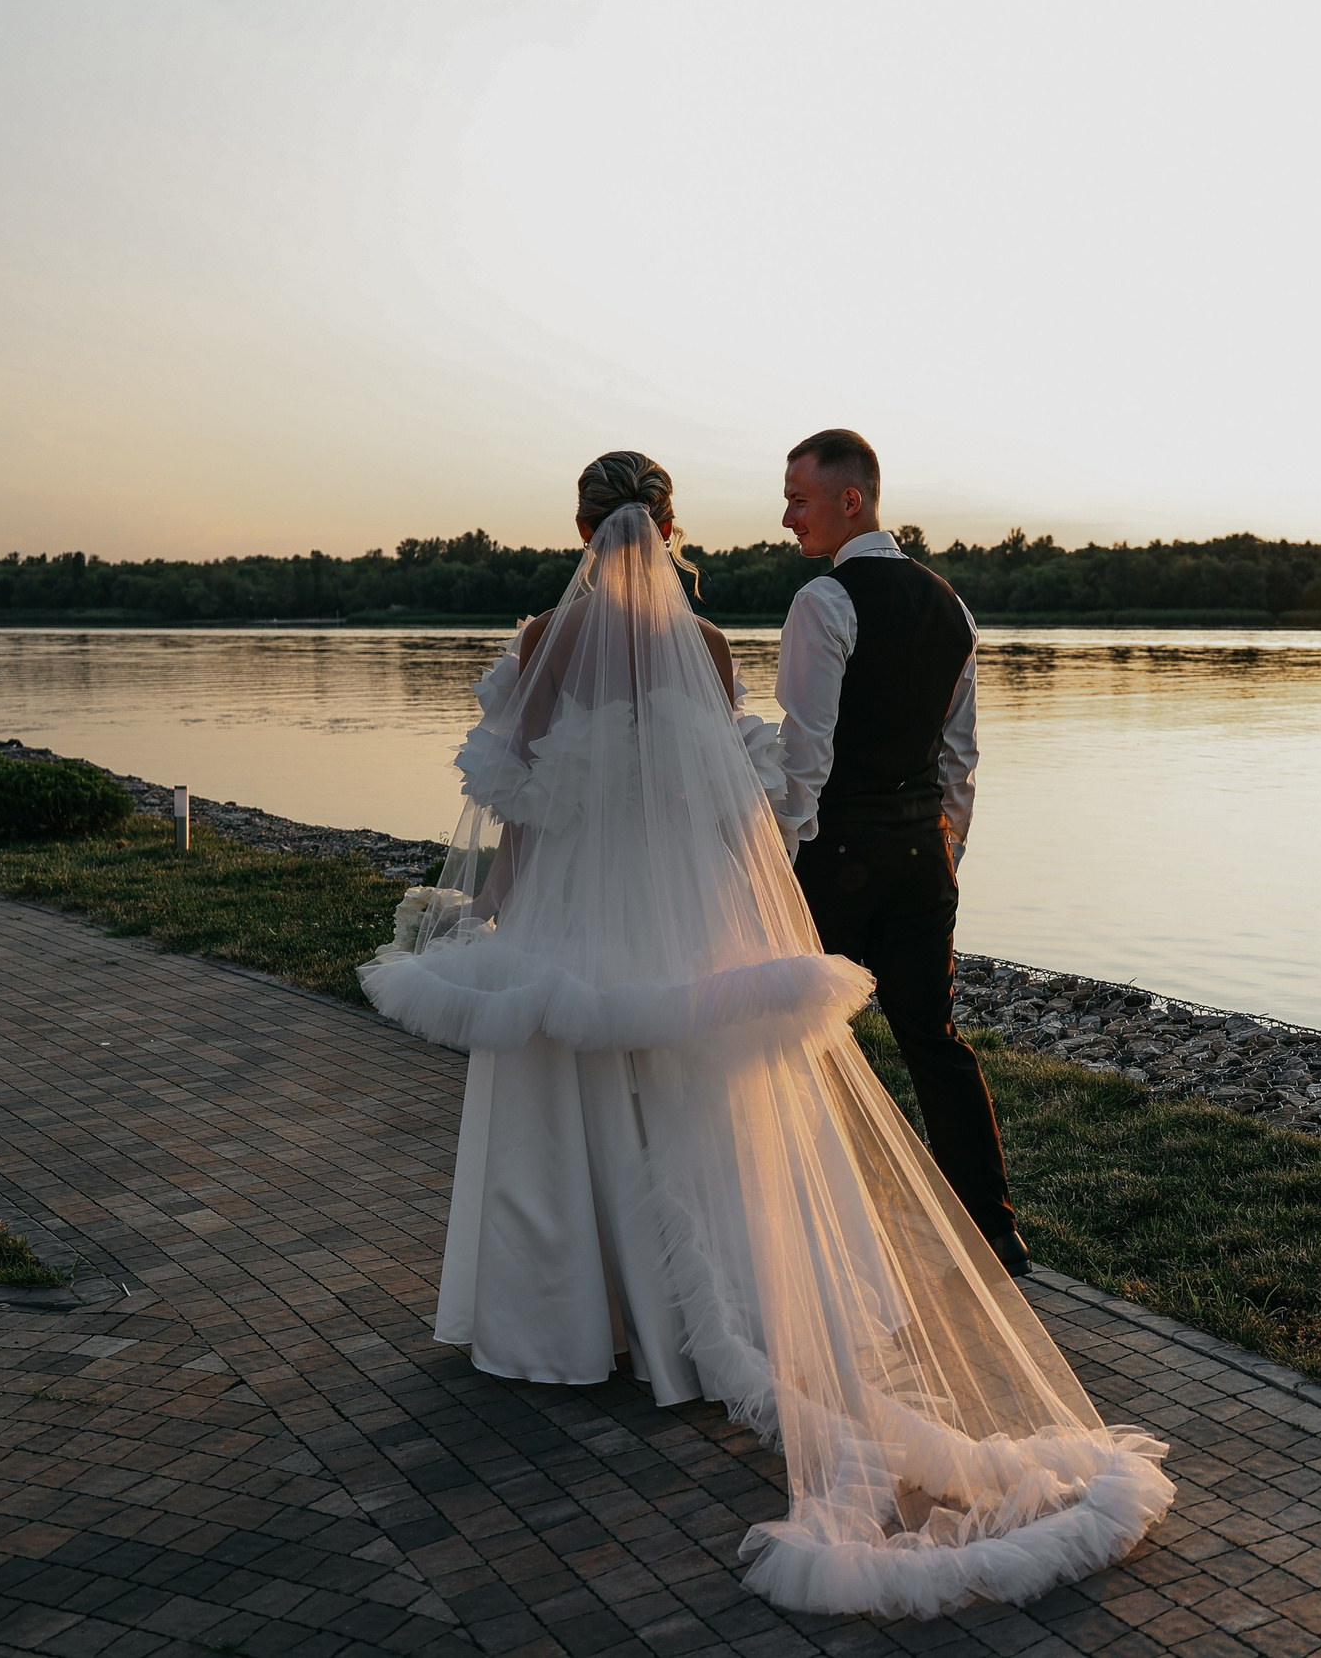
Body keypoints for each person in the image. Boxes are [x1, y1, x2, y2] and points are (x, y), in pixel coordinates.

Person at [359, 452, 1171, 1619]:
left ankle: (568, 1328)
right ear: (672, 527)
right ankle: (692, 1330)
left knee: (567, 1098)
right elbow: (738, 806)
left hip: (575, 908)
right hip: (683, 911)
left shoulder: (543, 641)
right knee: (697, 1110)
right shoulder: (708, 647)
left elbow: (519, 796)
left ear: (583, 528)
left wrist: (497, 910)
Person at [770, 429, 1028, 1277]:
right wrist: (945, 848)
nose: (786, 516)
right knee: (934, 1037)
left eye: (798, 498)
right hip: (923, 858)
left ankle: (812, 1226)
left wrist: (776, 860)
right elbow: (961, 758)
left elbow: (804, 756)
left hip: (834, 856)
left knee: (800, 1036)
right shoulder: (951, 605)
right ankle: (995, 1231)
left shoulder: (823, 601)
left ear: (853, 499)